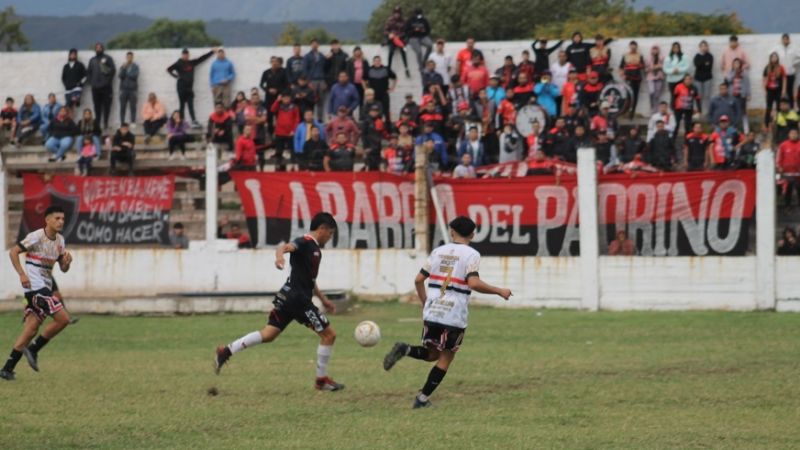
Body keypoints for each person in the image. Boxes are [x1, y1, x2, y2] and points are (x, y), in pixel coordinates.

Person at [383, 216, 511, 408]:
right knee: (445, 357)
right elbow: (473, 283)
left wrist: (426, 302)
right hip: (453, 315)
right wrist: (499, 291)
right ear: (473, 234)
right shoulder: (472, 254)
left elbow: (418, 280)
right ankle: (421, 399)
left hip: (433, 310)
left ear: (452, 232)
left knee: (433, 354)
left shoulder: (437, 252)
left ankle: (405, 349)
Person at [214, 212, 343, 391]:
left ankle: (226, 350)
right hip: (298, 300)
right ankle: (321, 380)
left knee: (268, 334)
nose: (330, 237)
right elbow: (283, 247)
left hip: (288, 297)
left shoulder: (314, 250)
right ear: (322, 229)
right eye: (330, 233)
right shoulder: (305, 242)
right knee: (329, 335)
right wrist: (280, 257)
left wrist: (324, 300)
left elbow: (310, 281)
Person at [1, 206, 74, 381]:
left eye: (63, 219)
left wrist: (67, 263)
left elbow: (63, 269)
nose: (61, 222)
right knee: (64, 319)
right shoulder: (36, 236)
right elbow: (14, 252)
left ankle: (7, 369)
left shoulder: (60, 241)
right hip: (35, 288)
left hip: (44, 287)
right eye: (57, 218)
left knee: (31, 329)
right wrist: (22, 274)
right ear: (47, 220)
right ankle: (33, 349)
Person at [167, 47, 215, 128]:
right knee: (182, 105)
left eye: (187, 54)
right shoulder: (178, 63)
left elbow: (201, 59)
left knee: (191, 105)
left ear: (188, 55)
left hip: (189, 88)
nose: (186, 56)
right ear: (182, 55)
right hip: (181, 87)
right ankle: (181, 121)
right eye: (184, 54)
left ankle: (193, 121)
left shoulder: (191, 63)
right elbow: (169, 69)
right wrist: (176, 76)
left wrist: (212, 52)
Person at [86, 42, 115, 131]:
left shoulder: (108, 58)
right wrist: (91, 82)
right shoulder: (92, 60)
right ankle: (97, 124)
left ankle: (105, 123)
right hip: (95, 88)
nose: (98, 49)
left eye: (100, 47)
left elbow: (113, 70)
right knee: (97, 107)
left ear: (103, 49)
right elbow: (88, 72)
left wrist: (107, 82)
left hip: (106, 87)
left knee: (107, 106)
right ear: (95, 49)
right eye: (97, 48)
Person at [272, 92, 301, 170]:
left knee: (292, 150)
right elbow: (272, 109)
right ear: (282, 98)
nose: (286, 99)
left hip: (290, 133)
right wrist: (277, 101)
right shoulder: (279, 106)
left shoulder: (294, 107)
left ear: (290, 98)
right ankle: (279, 166)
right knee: (279, 151)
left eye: (287, 98)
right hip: (279, 132)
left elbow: (297, 119)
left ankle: (293, 165)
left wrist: (294, 130)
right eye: (284, 98)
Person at [261, 56, 290, 133]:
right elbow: (262, 84)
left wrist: (281, 93)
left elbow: (287, 85)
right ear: (270, 62)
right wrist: (268, 90)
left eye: (276, 61)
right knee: (269, 117)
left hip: (279, 98)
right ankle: (270, 133)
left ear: (278, 62)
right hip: (269, 98)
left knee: (279, 116)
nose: (274, 63)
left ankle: (279, 133)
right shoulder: (266, 72)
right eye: (272, 61)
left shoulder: (283, 72)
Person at [365, 55, 397, 122]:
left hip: (384, 94)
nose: (377, 62)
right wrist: (366, 89)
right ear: (373, 62)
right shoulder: (369, 70)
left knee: (386, 111)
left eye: (378, 61)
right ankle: (375, 126)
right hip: (374, 96)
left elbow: (395, 78)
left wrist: (392, 88)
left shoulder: (386, 69)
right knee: (375, 111)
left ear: (380, 61)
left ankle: (388, 126)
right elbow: (363, 79)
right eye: (375, 61)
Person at [303, 39, 329, 122]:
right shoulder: (307, 56)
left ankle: (320, 119)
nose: (314, 45)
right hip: (312, 81)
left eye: (316, 44)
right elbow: (305, 70)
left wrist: (325, 81)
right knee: (311, 100)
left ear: (318, 45)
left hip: (321, 80)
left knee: (321, 101)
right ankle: (310, 119)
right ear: (311, 45)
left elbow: (325, 69)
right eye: (313, 44)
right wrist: (308, 82)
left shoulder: (321, 56)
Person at [619, 41, 644, 119]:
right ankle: (625, 111)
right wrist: (622, 75)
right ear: (629, 46)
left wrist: (638, 64)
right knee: (628, 95)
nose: (633, 47)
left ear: (636, 47)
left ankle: (632, 112)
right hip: (628, 78)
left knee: (635, 96)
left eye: (634, 46)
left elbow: (643, 66)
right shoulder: (625, 55)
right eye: (631, 46)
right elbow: (621, 66)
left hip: (637, 77)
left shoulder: (639, 55)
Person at [725, 58, 751, 134]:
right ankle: (733, 128)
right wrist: (734, 73)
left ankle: (746, 130)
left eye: (738, 63)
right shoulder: (730, 72)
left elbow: (747, 84)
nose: (736, 65)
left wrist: (748, 94)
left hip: (741, 95)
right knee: (732, 111)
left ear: (740, 64)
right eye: (735, 63)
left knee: (743, 112)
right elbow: (728, 80)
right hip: (732, 95)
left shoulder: (744, 73)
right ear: (733, 64)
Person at [774, 34, 799, 109]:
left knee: (790, 92)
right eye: (784, 39)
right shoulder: (778, 49)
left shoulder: (794, 49)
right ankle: (780, 110)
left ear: (789, 40)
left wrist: (794, 63)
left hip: (790, 74)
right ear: (782, 40)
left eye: (786, 39)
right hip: (781, 75)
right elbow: (772, 56)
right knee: (780, 92)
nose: (785, 40)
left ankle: (791, 109)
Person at [763, 52, 788, 128]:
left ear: (777, 58)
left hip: (778, 90)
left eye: (775, 57)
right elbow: (764, 79)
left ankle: (779, 123)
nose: (774, 58)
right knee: (768, 108)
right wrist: (765, 90)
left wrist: (783, 90)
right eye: (772, 57)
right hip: (770, 90)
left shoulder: (781, 67)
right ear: (770, 58)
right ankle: (766, 125)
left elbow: (784, 79)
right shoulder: (767, 67)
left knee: (779, 107)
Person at [384, 6, 410, 77]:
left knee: (403, 51)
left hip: (400, 39)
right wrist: (389, 34)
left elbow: (406, 32)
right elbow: (385, 30)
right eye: (395, 13)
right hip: (392, 40)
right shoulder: (390, 20)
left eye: (398, 13)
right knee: (391, 52)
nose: (397, 14)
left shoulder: (403, 21)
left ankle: (406, 68)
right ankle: (389, 68)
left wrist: (400, 36)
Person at [361, 103, 388, 171]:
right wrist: (366, 147)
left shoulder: (380, 121)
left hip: (378, 147)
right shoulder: (366, 122)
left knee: (378, 166)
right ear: (370, 112)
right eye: (373, 111)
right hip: (369, 147)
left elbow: (383, 134)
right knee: (369, 166)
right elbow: (363, 135)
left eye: (376, 111)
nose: (374, 113)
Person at [673, 74, 700, 139]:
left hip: (688, 109)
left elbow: (697, 99)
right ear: (684, 80)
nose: (688, 81)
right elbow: (674, 97)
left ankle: (687, 141)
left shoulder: (694, 88)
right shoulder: (678, 86)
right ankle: (672, 141)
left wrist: (699, 109)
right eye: (686, 79)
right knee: (676, 124)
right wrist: (673, 107)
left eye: (689, 79)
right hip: (679, 108)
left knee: (687, 125)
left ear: (691, 80)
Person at [777, 128, 800, 206]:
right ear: (788, 135)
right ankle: (787, 205)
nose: (793, 135)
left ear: (798, 135)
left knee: (799, 189)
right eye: (792, 134)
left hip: (798, 173)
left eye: (795, 134)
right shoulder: (783, 145)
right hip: (787, 173)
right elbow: (779, 157)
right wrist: (779, 166)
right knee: (788, 190)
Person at [405, 8, 432, 74]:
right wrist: (414, 30)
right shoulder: (410, 20)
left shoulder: (424, 20)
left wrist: (424, 31)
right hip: (413, 38)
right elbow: (406, 31)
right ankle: (421, 67)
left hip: (422, 36)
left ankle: (424, 61)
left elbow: (428, 29)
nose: (419, 16)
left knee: (430, 45)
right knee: (419, 52)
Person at [664, 42, 689, 108]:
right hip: (671, 80)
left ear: (679, 48)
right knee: (673, 96)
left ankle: (682, 110)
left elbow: (686, 66)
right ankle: (673, 110)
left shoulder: (684, 57)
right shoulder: (668, 58)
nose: (676, 49)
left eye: (677, 47)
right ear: (672, 48)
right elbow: (665, 68)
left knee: (682, 95)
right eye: (674, 47)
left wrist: (679, 70)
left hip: (680, 79)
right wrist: (672, 71)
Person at [118, 51, 139, 125]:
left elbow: (135, 76)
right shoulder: (123, 66)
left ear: (132, 57)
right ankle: (122, 122)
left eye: (130, 57)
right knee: (122, 107)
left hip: (132, 90)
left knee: (133, 107)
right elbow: (120, 76)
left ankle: (133, 121)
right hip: (123, 89)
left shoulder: (135, 66)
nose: (129, 58)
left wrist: (127, 73)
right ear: (126, 57)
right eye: (128, 57)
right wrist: (124, 68)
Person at [693, 41, 714, 112]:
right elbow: (697, 65)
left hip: (707, 78)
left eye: (705, 46)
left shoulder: (710, 56)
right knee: (699, 95)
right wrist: (704, 63)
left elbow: (709, 67)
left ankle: (708, 111)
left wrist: (702, 64)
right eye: (702, 46)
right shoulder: (697, 56)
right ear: (699, 47)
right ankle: (699, 111)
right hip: (698, 79)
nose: (704, 47)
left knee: (707, 95)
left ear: (707, 47)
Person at [645, 45, 665, 114]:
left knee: (657, 94)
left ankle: (656, 110)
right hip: (650, 77)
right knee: (652, 92)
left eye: (656, 49)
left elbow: (665, 67)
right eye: (653, 49)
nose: (655, 51)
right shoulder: (648, 58)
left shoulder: (661, 57)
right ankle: (652, 106)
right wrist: (651, 68)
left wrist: (659, 66)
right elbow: (645, 69)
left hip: (659, 77)